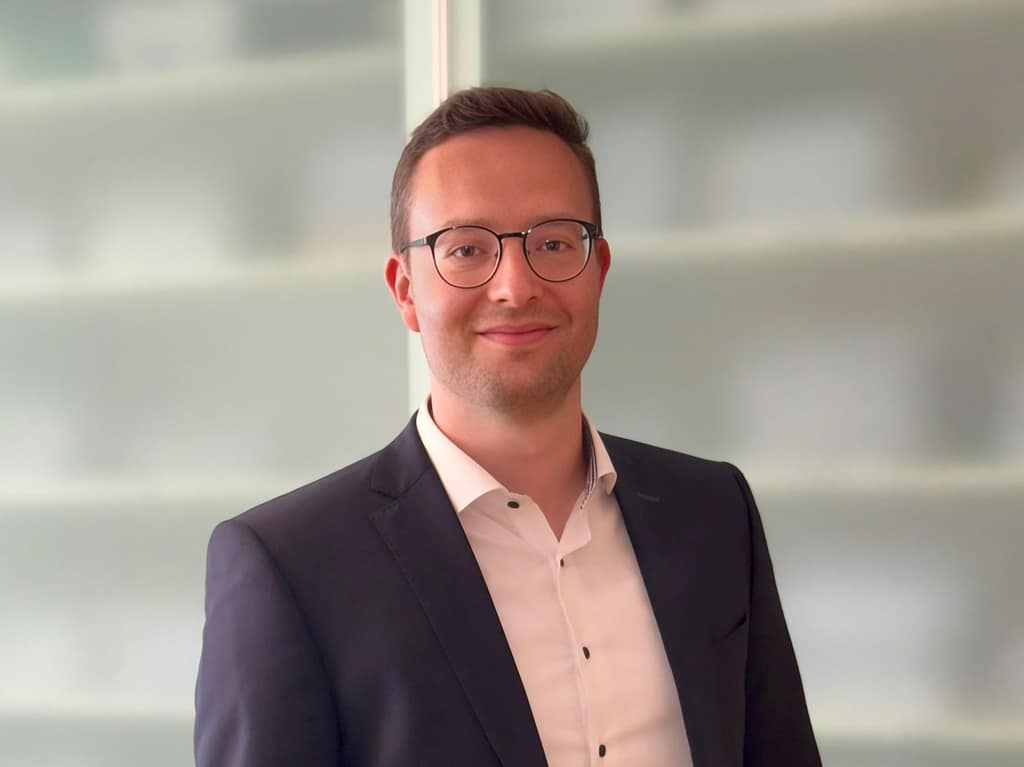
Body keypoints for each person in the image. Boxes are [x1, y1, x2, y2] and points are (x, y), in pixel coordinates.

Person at [194, 87, 821, 767]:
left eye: (553, 242)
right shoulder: (291, 565)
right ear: (405, 289)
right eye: (466, 249)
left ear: (598, 271)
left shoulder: (714, 512)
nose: (516, 286)